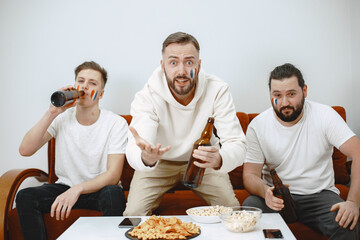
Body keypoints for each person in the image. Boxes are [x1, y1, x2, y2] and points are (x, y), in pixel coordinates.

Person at [124, 32, 247, 216]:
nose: (181, 71)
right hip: (159, 163)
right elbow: (138, 143)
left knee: (233, 212)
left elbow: (237, 143)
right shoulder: (148, 95)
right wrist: (147, 157)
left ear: (198, 65)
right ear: (163, 66)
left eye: (189, 62)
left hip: (202, 162)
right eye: (173, 62)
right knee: (133, 215)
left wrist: (220, 158)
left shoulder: (218, 90)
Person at [243, 63, 359, 239]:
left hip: (319, 196)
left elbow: (358, 154)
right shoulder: (258, 126)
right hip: (277, 196)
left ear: (304, 90)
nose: (284, 103)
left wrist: (352, 202)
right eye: (277, 95)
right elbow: (250, 175)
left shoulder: (325, 115)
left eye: (291, 94)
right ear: (270, 95)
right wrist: (265, 191)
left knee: (347, 223)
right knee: (249, 209)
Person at [16, 61, 128, 240]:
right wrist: (52, 112)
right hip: (65, 187)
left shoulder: (115, 123)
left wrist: (77, 189)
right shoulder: (61, 118)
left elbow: (113, 175)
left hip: (99, 189)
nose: (84, 86)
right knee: (25, 196)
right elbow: (25, 150)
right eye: (81, 81)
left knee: (114, 194)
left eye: (92, 83)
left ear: (101, 93)